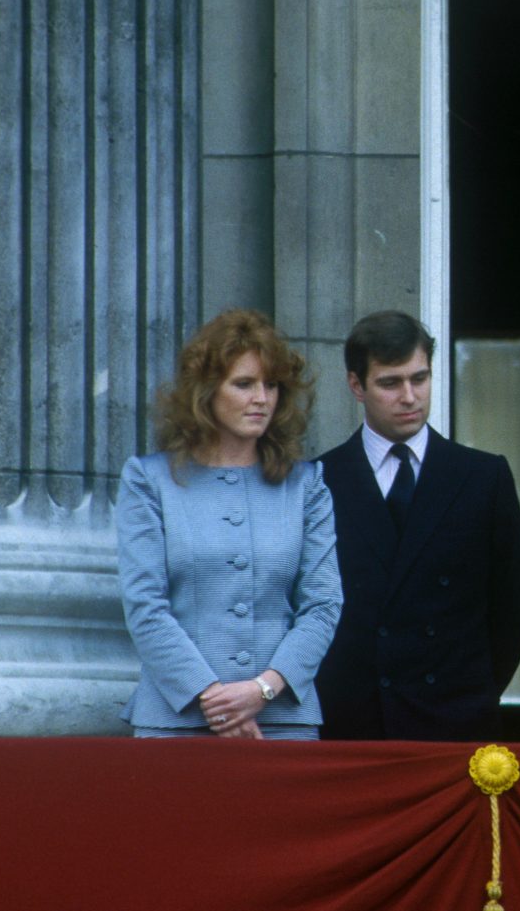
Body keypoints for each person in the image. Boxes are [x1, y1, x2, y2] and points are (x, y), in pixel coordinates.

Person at [117, 309, 342, 740]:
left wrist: (263, 689)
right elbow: (145, 605)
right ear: (206, 392)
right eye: (244, 384)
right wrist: (217, 701)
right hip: (177, 720)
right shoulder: (149, 480)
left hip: (283, 723)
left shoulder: (306, 485)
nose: (262, 398)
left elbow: (323, 605)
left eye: (271, 385)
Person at [315, 310, 520, 740]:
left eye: (420, 378)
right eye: (390, 383)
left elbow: (517, 600)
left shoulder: (483, 477)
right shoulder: (319, 480)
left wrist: (474, 692)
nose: (409, 396)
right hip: (352, 727)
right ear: (356, 386)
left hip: (453, 724)